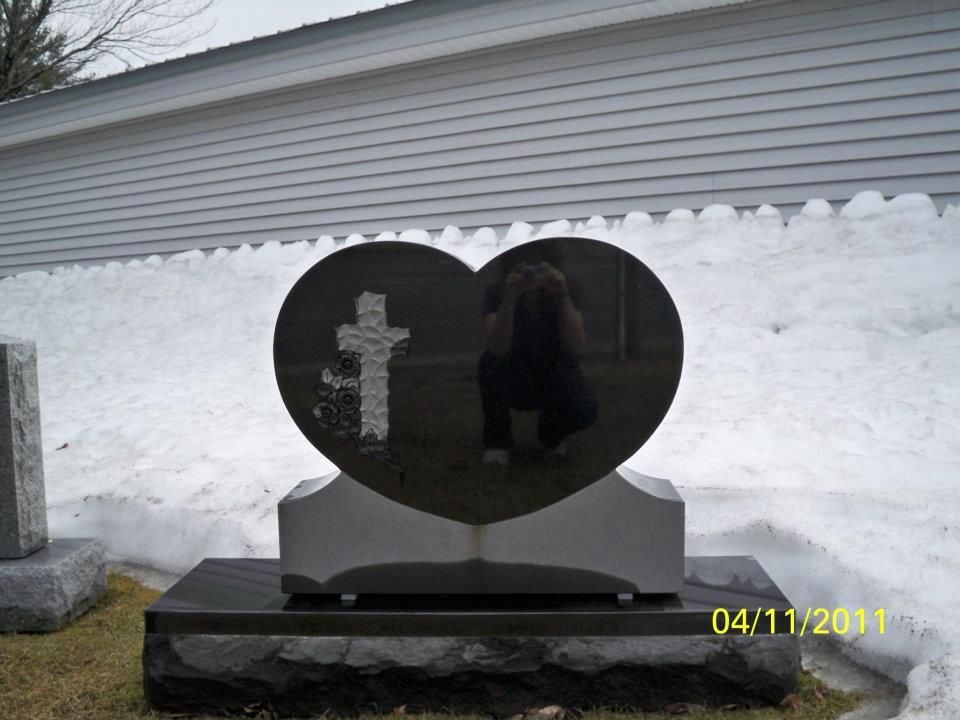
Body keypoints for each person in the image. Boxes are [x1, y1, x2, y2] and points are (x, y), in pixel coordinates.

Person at [478, 243, 598, 465]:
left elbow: (577, 346)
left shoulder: (566, 288)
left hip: (553, 370)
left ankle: (551, 434)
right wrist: (509, 299)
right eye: (526, 268)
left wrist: (562, 296)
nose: (533, 276)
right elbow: (496, 348)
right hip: (513, 373)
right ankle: (497, 440)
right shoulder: (499, 291)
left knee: (585, 410)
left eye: (540, 267)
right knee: (488, 364)